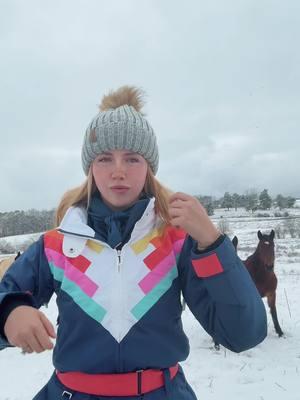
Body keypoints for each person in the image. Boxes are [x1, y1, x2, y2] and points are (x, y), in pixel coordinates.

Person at [0, 86, 267, 399]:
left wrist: (212, 242)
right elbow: (6, 293)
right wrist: (9, 312)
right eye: (104, 158)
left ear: (149, 167)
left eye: (132, 158)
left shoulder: (177, 243)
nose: (118, 171)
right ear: (89, 169)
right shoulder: (55, 246)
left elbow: (243, 333)